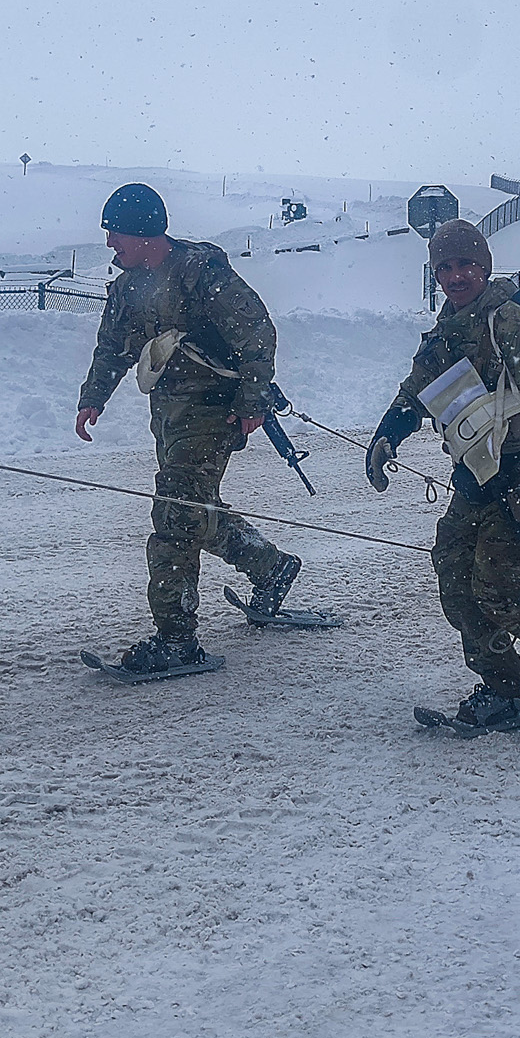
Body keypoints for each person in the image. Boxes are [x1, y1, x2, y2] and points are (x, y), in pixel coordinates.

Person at [364, 219, 520, 727]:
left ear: (485, 266)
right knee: (454, 577)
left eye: (465, 265)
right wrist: (389, 433)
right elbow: (416, 394)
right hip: (477, 473)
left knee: (500, 589)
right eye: (445, 267)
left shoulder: (507, 319)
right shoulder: (443, 336)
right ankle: (504, 687)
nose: (456, 276)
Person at [75, 182, 301, 673]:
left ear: (145, 233)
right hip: (170, 414)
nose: (111, 244)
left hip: (214, 411)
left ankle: (176, 638)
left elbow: (257, 334)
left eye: (116, 235)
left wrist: (252, 400)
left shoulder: (201, 274)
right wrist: (93, 398)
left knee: (175, 514)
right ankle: (270, 566)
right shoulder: (126, 286)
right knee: (195, 509)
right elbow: (112, 346)